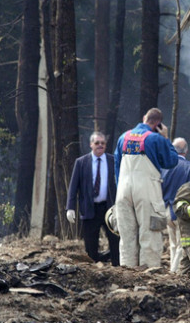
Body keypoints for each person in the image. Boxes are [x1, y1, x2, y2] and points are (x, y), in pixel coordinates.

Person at [114, 108, 179, 267]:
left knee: (127, 234)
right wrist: (166, 138)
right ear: (158, 124)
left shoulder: (124, 137)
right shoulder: (156, 139)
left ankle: (127, 271)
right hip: (146, 189)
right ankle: (147, 273)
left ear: (144, 118)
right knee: (150, 232)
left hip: (123, 189)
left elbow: (116, 165)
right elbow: (172, 161)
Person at [66, 131, 120, 266]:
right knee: (91, 244)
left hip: (110, 209)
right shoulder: (81, 162)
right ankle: (93, 269)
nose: (100, 145)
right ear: (91, 145)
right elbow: (73, 187)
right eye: (97, 143)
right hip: (90, 208)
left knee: (115, 241)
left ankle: (117, 268)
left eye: (102, 143)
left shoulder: (113, 161)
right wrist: (70, 208)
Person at [161, 137, 190, 273]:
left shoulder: (164, 168)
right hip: (182, 212)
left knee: (172, 244)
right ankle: (174, 272)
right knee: (182, 245)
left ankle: (172, 269)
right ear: (186, 151)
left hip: (166, 210)